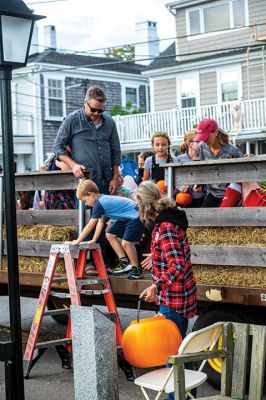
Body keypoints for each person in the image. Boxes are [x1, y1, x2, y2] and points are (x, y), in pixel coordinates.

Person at [136, 181, 197, 400]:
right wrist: (157, 254)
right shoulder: (169, 220)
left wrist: (156, 285)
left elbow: (178, 265)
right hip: (180, 296)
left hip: (173, 299)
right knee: (181, 348)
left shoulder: (165, 227)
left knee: (172, 354)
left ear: (145, 205)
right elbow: (175, 251)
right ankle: (187, 395)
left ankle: (176, 397)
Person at [65, 179, 144, 279]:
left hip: (136, 217)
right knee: (109, 234)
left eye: (85, 200)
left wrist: (77, 241)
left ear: (91, 194)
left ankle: (136, 269)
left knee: (126, 243)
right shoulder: (101, 201)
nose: (85, 203)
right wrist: (94, 239)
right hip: (128, 218)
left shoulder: (99, 204)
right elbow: (100, 222)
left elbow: (90, 225)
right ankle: (123, 261)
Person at [53, 86, 121, 195]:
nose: (96, 113)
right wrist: (73, 165)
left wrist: (115, 177)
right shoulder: (72, 120)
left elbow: (115, 151)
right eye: (93, 109)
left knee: (107, 212)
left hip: (107, 181)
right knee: (86, 212)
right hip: (85, 181)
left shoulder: (110, 122)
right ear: (85, 102)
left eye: (100, 110)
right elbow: (57, 147)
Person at [195, 118, 242, 207]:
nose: (204, 140)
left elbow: (242, 175)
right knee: (203, 217)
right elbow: (202, 167)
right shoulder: (202, 146)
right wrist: (200, 183)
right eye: (202, 137)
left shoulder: (232, 151)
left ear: (216, 132)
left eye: (207, 137)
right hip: (212, 193)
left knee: (221, 218)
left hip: (229, 193)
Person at [175, 129, 205, 207]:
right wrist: (182, 187)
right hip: (184, 198)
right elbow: (174, 178)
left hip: (201, 197)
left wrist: (202, 185)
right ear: (189, 143)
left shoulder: (204, 158)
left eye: (203, 141)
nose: (201, 143)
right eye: (198, 141)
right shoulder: (179, 159)